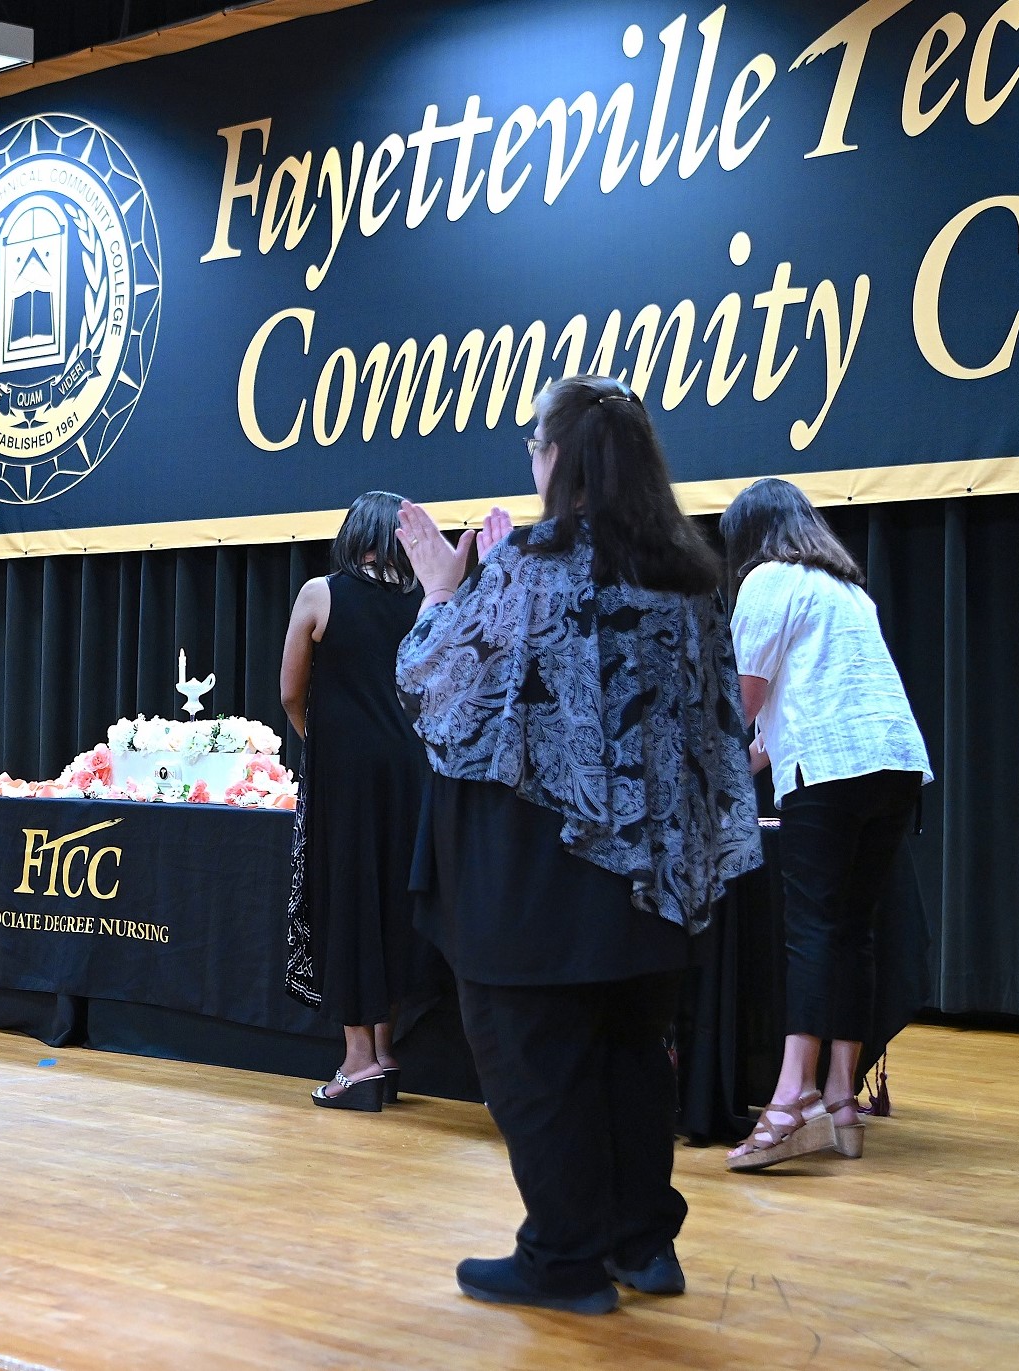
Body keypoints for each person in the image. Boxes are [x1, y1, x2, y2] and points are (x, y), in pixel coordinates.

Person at [394, 375, 761, 1314]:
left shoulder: (534, 567)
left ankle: (562, 1260)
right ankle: (643, 1245)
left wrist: (442, 591)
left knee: (537, 1061)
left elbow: (441, 695)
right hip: (652, 872)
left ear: (558, 459)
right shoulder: (688, 575)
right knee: (633, 1057)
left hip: (541, 874)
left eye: (533, 442)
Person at [719, 478, 931, 1171]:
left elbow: (743, 706)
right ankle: (842, 1101)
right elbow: (783, 724)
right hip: (896, 764)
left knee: (810, 930)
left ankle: (791, 1102)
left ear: (749, 537)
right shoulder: (847, 589)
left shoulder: (766, 582)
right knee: (852, 929)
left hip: (832, 773)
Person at [278, 491, 426, 1111]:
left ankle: (356, 1063)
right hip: (416, 774)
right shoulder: (427, 599)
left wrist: (328, 747)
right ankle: (387, 1052)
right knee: (396, 903)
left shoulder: (321, 593)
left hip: (347, 774)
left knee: (347, 904)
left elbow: (290, 693)